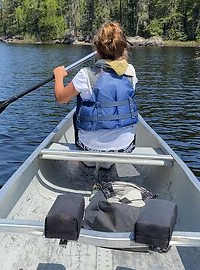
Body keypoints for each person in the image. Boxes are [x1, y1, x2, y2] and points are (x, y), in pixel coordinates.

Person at [53, 22, 138, 167]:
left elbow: (61, 98)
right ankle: (109, 166)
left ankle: (88, 165)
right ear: (123, 49)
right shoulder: (130, 71)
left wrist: (59, 76)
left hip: (90, 146)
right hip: (124, 147)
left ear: (97, 50)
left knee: (76, 115)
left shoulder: (85, 74)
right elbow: (120, 66)